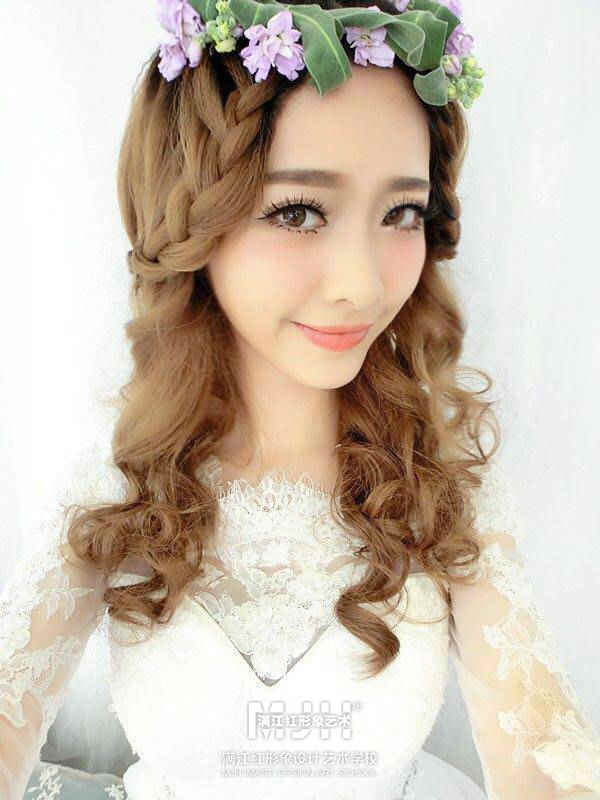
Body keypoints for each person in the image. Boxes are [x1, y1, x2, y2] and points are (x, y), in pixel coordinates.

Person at [2, 0, 599, 798]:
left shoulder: (444, 489)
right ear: (193, 221)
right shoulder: (118, 486)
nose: (362, 283)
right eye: (298, 212)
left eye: (402, 213)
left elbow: (543, 752)